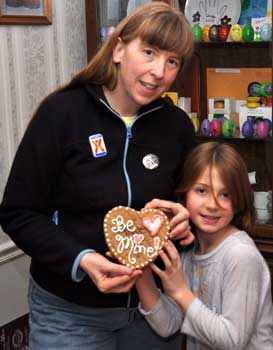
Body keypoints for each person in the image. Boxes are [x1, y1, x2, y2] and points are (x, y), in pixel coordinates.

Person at [0, 2, 196, 350]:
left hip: (151, 311)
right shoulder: (62, 114)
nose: (158, 72)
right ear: (119, 48)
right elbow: (18, 212)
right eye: (149, 52)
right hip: (69, 315)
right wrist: (82, 260)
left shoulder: (177, 126)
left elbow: (192, 205)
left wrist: (187, 219)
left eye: (172, 61)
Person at [136, 142, 273, 349]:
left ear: (239, 200)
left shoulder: (240, 255)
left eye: (225, 194)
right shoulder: (191, 251)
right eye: (201, 191)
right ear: (184, 195)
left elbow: (232, 341)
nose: (212, 204)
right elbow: (168, 324)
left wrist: (181, 291)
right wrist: (140, 266)